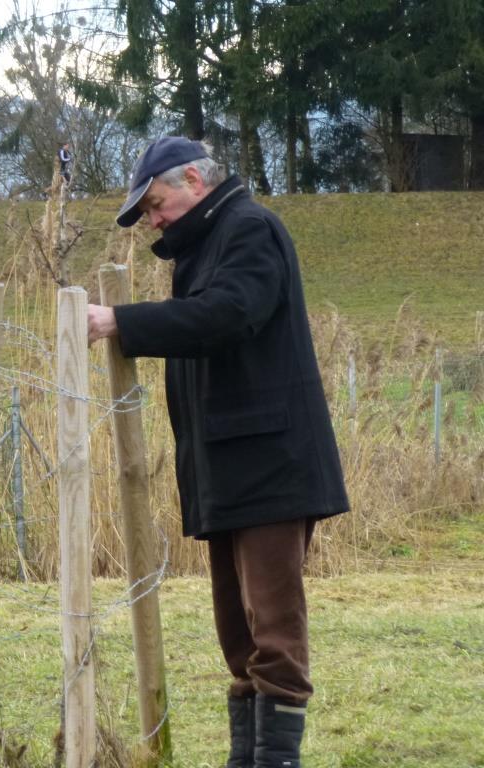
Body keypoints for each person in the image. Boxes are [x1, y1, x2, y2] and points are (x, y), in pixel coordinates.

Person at [87, 137, 348, 768]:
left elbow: (228, 315)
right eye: (147, 212)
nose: (153, 220)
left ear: (195, 182)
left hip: (270, 464)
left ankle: (275, 761)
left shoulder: (249, 229)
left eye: (156, 204)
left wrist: (122, 321)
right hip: (228, 468)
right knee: (239, 633)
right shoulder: (207, 245)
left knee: (273, 632)